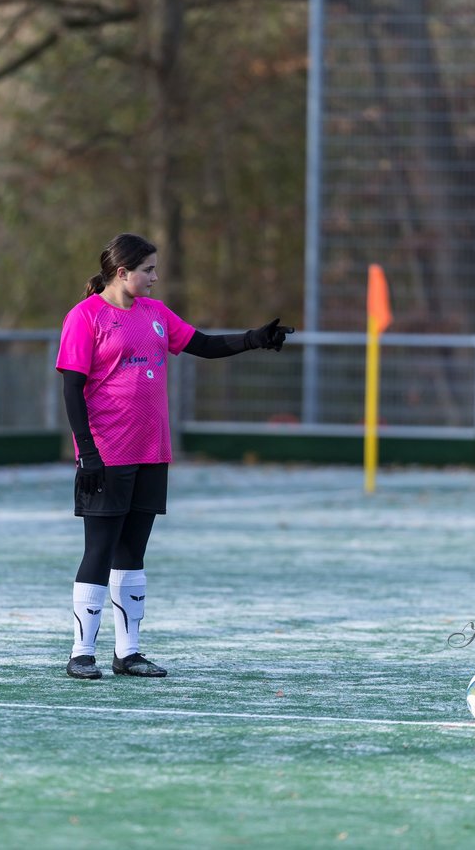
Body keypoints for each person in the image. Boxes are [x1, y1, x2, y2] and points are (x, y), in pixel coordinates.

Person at [55, 232, 293, 680]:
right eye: (148, 270)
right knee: (99, 550)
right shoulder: (85, 317)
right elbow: (71, 388)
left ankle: (128, 654)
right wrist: (87, 453)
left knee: (133, 552)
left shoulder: (156, 313)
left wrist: (255, 338)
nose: (155, 277)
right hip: (107, 453)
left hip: (151, 449)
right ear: (121, 272)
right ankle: (81, 654)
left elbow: (203, 344)